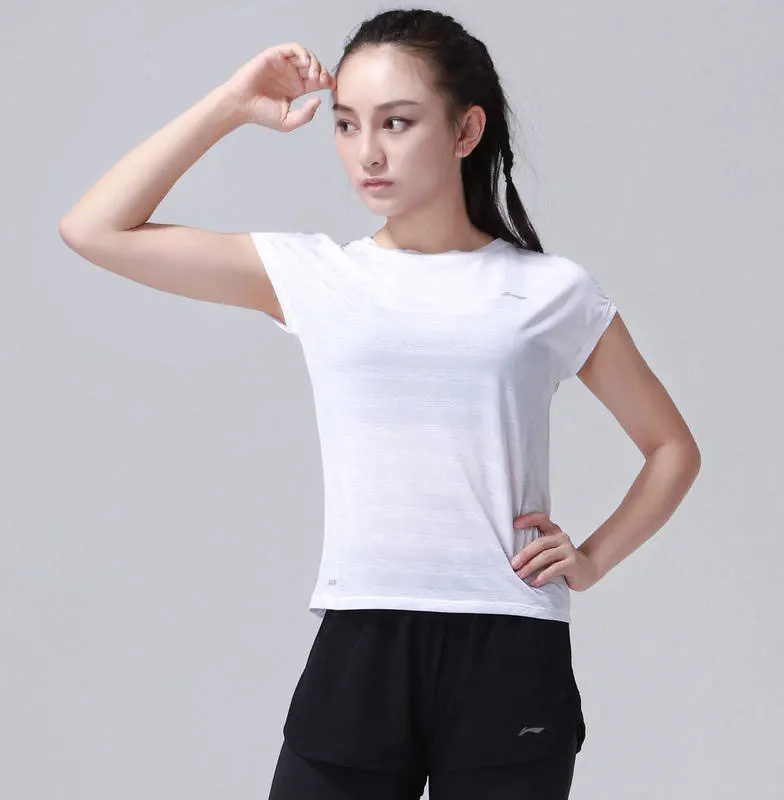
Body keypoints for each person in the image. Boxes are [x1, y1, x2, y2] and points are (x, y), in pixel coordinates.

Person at [59, 8, 702, 799]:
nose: (367, 152)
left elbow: (672, 448)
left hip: (508, 644)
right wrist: (231, 104)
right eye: (346, 124)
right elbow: (94, 228)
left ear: (466, 130)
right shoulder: (319, 277)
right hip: (361, 636)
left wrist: (594, 560)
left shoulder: (550, 290)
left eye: (396, 122)